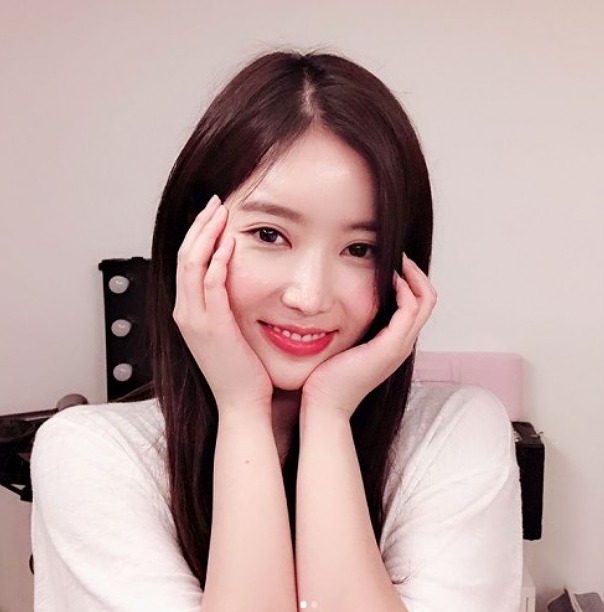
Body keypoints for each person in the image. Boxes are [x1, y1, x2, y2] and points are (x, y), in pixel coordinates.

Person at [30, 50, 522, 611]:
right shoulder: (92, 456)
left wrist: (329, 414)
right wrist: (242, 410)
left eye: (360, 249)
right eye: (269, 234)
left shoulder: (456, 435)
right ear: (194, 237)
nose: (309, 297)